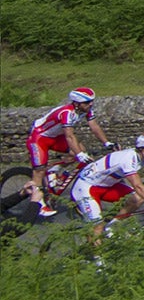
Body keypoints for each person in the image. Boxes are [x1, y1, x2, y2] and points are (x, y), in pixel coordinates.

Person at [72, 133, 144, 234]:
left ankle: (112, 227)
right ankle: (95, 259)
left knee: (137, 199)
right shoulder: (128, 159)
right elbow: (137, 185)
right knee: (97, 226)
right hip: (87, 187)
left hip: (106, 186)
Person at [25, 87, 110, 218]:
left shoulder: (85, 110)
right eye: (87, 102)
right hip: (39, 138)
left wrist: (106, 143)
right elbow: (69, 136)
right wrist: (79, 154)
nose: (90, 104)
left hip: (55, 137)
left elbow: (94, 126)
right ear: (77, 103)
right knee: (39, 170)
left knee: (81, 151)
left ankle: (55, 169)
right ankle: (39, 204)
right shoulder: (67, 113)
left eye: (92, 101)